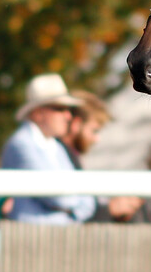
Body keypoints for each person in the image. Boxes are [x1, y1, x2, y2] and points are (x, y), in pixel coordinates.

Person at [0, 74, 96, 223]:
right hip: (27, 240)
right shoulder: (21, 145)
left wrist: (74, 207)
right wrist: (75, 211)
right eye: (59, 108)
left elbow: (86, 200)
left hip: (47, 237)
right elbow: (60, 198)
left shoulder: (55, 146)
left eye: (68, 109)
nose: (68, 116)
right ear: (38, 114)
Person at [58, 90, 144, 222]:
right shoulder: (58, 156)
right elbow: (73, 218)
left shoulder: (68, 156)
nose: (96, 139)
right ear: (76, 124)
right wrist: (109, 210)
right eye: (94, 130)